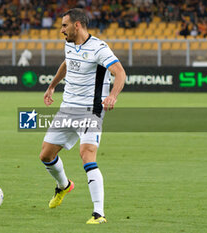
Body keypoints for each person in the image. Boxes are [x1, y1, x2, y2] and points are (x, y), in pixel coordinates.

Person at [38, 8, 126, 224]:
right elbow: (67, 63)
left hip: (90, 110)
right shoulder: (69, 43)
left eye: (64, 25)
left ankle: (99, 213)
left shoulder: (99, 48)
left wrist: (113, 96)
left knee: (87, 154)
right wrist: (52, 86)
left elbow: (120, 72)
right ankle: (64, 186)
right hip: (67, 108)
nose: (61, 30)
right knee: (46, 156)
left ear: (77, 25)